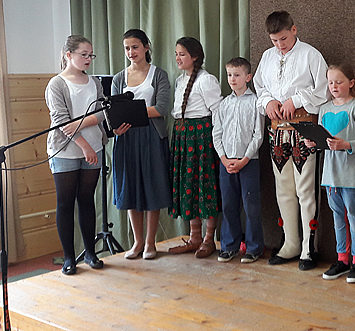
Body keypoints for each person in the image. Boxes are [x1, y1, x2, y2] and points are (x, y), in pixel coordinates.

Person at [253, 11, 328, 271]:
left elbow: (324, 89)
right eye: (274, 40)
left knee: (306, 190)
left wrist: (295, 100)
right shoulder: (267, 57)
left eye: (283, 39)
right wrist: (268, 102)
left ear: (294, 30)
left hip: (304, 129)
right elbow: (260, 88)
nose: (279, 45)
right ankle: (291, 243)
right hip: (277, 131)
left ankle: (308, 246)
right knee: (283, 189)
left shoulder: (311, 55)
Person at [45, 35, 107, 275]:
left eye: (91, 55)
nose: (88, 58)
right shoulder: (57, 84)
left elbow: (102, 112)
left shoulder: (95, 82)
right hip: (65, 151)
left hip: (94, 146)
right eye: (84, 54)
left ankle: (91, 253)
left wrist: (82, 125)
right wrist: (84, 145)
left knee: (87, 200)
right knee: (65, 202)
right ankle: (69, 258)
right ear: (68, 55)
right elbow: (61, 121)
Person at [305, 64, 355, 283]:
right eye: (330, 82)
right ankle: (342, 259)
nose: (333, 86)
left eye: (339, 82)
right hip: (330, 175)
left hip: (351, 174)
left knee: (354, 217)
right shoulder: (324, 109)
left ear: (351, 83)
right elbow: (324, 140)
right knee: (337, 218)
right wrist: (313, 143)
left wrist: (346, 145)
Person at [111, 29, 173, 260]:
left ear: (146, 47)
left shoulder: (159, 74)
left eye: (135, 47)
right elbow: (114, 111)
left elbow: (161, 108)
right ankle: (137, 242)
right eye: (127, 48)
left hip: (151, 137)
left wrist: (132, 111)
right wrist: (116, 126)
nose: (131, 52)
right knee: (130, 188)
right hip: (126, 138)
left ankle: (150, 242)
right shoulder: (119, 78)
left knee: (152, 187)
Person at [168, 37, 223, 259]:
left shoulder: (206, 80)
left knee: (205, 185)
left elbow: (217, 112)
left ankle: (209, 239)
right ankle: (194, 237)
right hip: (183, 136)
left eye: (182, 54)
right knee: (188, 184)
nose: (178, 58)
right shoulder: (180, 80)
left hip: (201, 136)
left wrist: (217, 141)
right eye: (176, 54)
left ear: (195, 56)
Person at [212, 57, 264, 263]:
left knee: (251, 206)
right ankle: (229, 245)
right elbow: (217, 133)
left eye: (237, 75)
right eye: (229, 75)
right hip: (226, 163)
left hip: (248, 162)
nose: (232, 79)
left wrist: (244, 159)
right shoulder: (224, 104)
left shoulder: (255, 102)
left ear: (248, 77)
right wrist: (224, 159)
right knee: (229, 205)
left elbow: (258, 135)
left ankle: (254, 247)